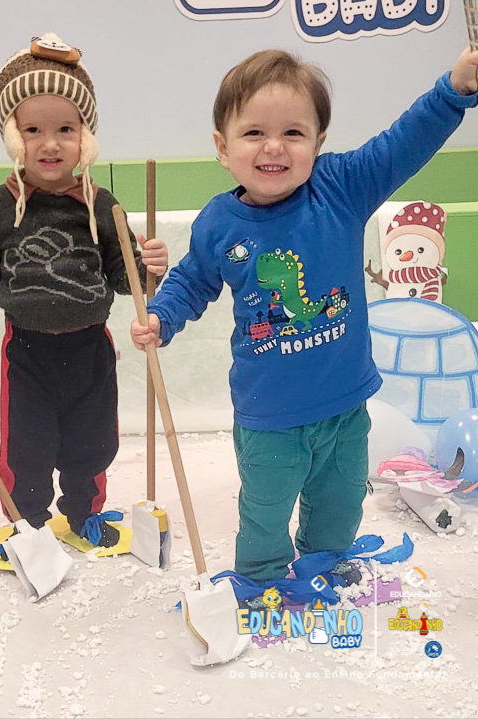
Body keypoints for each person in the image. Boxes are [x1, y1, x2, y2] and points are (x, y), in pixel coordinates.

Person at [130, 47, 478, 582]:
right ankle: (262, 577)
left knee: (340, 501)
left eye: (293, 133)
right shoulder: (219, 223)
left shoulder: (342, 187)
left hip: (345, 406)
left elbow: (404, 142)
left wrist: (452, 91)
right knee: (265, 510)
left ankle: (325, 561)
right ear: (223, 147)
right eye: (254, 133)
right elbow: (192, 280)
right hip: (268, 414)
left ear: (318, 143)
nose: (274, 146)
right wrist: (161, 317)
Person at [0, 33, 168, 546]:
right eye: (33, 130)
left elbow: (124, 282)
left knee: (92, 444)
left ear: (84, 137)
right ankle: (26, 524)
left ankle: (84, 514)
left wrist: (150, 270)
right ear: (13, 137)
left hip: (91, 349)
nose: (50, 144)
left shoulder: (101, 205)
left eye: (65, 129)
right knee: (25, 449)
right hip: (26, 352)